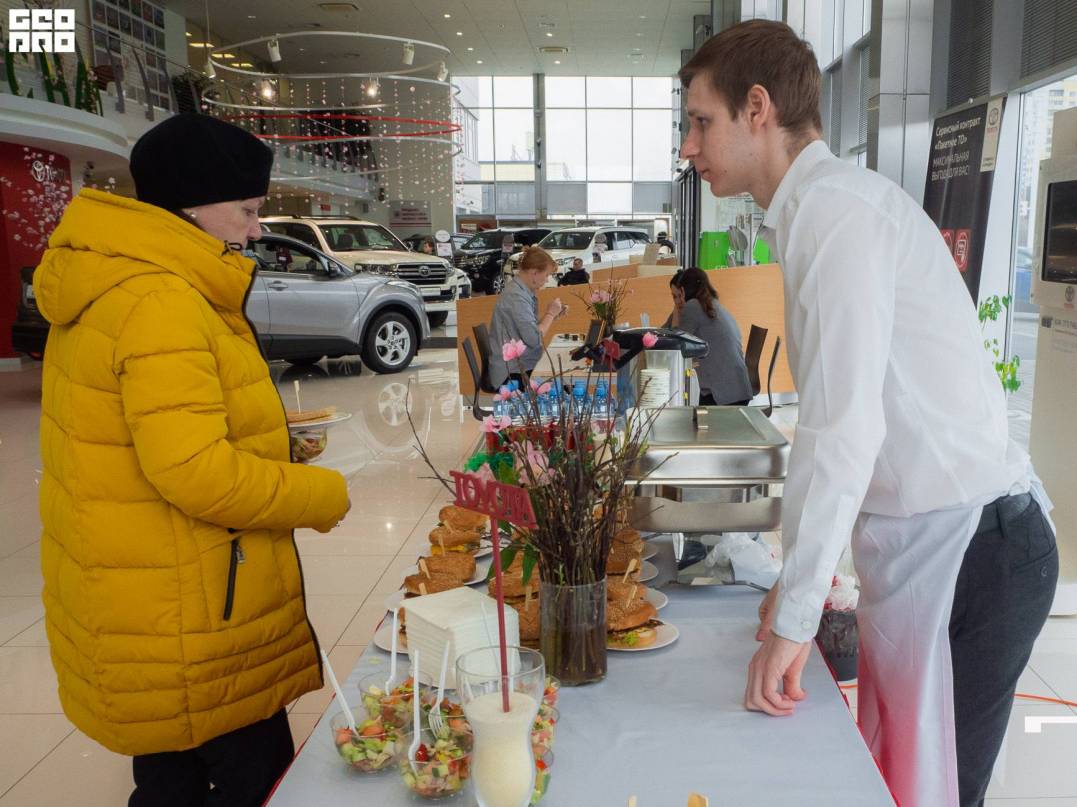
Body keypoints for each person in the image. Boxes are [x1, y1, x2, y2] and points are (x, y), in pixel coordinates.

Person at [679, 20, 1055, 807]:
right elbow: (845, 421)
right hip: (935, 547)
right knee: (897, 781)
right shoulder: (818, 210)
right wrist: (799, 583)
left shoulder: (834, 212)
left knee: (932, 790)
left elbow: (842, 430)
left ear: (758, 109)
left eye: (700, 122)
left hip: (975, 552)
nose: (689, 147)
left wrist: (795, 614)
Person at [34, 114, 351, 807]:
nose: (256, 229)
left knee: (169, 777)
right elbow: (195, 471)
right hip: (193, 606)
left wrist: (271, 440)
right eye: (248, 210)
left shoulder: (110, 277)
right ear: (192, 207)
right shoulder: (161, 299)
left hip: (143, 594)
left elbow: (141, 437)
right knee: (258, 780)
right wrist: (320, 493)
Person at [667, 267, 752, 406]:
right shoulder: (711, 304)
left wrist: (677, 310)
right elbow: (668, 330)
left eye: (679, 295)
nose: (678, 300)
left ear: (683, 290)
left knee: (691, 413)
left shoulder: (693, 307)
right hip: (736, 389)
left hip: (724, 395)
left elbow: (677, 344)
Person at [487, 245, 568, 387]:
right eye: (546, 275)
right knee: (567, 389)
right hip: (512, 374)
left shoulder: (521, 292)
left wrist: (553, 315)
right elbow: (534, 339)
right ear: (534, 273)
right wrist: (550, 314)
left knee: (565, 384)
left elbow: (529, 330)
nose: (547, 280)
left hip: (521, 366)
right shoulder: (516, 296)